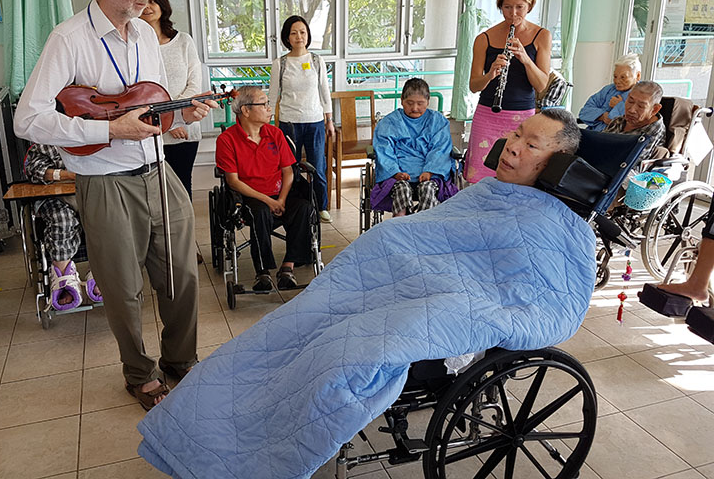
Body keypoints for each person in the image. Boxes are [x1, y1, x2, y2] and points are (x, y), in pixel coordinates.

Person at [138, 109, 593, 479]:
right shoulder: (490, 191)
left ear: (557, 162)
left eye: (531, 144)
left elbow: (538, 294)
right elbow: (431, 232)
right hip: (392, 279)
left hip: (448, 304)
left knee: (341, 356)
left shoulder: (556, 224)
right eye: (516, 133)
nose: (512, 145)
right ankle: (204, 420)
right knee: (301, 322)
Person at [14, 0, 217, 411]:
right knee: (123, 289)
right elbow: (28, 119)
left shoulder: (145, 34)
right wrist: (107, 130)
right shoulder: (68, 39)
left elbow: (151, 107)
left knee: (182, 277)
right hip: (104, 180)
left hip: (158, 170)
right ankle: (140, 373)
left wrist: (181, 113)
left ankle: (180, 359)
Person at [215, 86, 315, 292]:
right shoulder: (227, 140)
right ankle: (262, 272)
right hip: (248, 196)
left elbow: (288, 171)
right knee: (259, 212)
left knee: (303, 207)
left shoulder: (275, 134)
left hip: (280, 193)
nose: (269, 108)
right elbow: (233, 181)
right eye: (264, 104)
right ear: (245, 110)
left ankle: (288, 267)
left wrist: (282, 199)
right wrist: (268, 201)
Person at [465, 0, 552, 183]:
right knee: (479, 176)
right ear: (500, 6)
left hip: (522, 118)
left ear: (530, 5)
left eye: (519, 7)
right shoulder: (484, 38)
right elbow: (474, 86)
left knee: (517, 176)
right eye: (507, 7)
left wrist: (525, 59)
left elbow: (541, 85)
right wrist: (490, 74)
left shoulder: (542, 36)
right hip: (487, 115)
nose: (513, 14)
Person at [140, 0, 205, 264]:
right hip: (151, 131)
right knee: (154, 195)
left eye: (153, 1)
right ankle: (160, 250)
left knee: (181, 192)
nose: (148, 7)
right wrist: (167, 123)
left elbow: (194, 84)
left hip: (185, 131)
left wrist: (177, 116)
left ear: (162, 5)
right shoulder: (135, 45)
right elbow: (139, 92)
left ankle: (186, 247)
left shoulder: (183, 41)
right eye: (143, 2)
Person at [268, 15, 334, 223]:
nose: (299, 36)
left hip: (315, 121)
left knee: (318, 166)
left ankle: (321, 206)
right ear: (287, 37)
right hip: (289, 123)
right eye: (294, 33)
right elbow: (272, 95)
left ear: (308, 35)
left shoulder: (316, 61)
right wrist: (267, 122)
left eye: (303, 32)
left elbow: (324, 91)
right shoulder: (280, 63)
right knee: (290, 167)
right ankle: (295, 206)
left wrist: (329, 119)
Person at [24, 144, 101, 309]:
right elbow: (34, 170)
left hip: (91, 192)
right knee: (62, 220)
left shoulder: (97, 135)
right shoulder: (46, 141)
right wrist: (66, 174)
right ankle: (63, 273)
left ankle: (100, 270)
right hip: (54, 197)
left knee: (103, 216)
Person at [370, 78, 457, 217]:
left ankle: (424, 223)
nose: (415, 108)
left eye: (420, 103)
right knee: (401, 189)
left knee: (428, 189)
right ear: (402, 100)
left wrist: (429, 171)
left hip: (430, 176)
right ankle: (399, 222)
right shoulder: (390, 122)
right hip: (398, 175)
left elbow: (440, 149)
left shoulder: (437, 121)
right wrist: (395, 172)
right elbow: (384, 150)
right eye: (410, 103)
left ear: (428, 102)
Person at [603, 81, 665, 172]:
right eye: (630, 101)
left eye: (641, 106)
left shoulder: (651, 131)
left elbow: (628, 164)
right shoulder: (618, 121)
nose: (631, 110)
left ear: (654, 109)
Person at [579, 52, 641, 131]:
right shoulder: (609, 89)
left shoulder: (642, 95)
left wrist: (619, 105)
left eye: (623, 77)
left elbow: (634, 121)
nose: (617, 81)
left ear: (638, 76)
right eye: (615, 76)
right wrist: (602, 116)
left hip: (615, 136)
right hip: (592, 133)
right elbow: (584, 112)